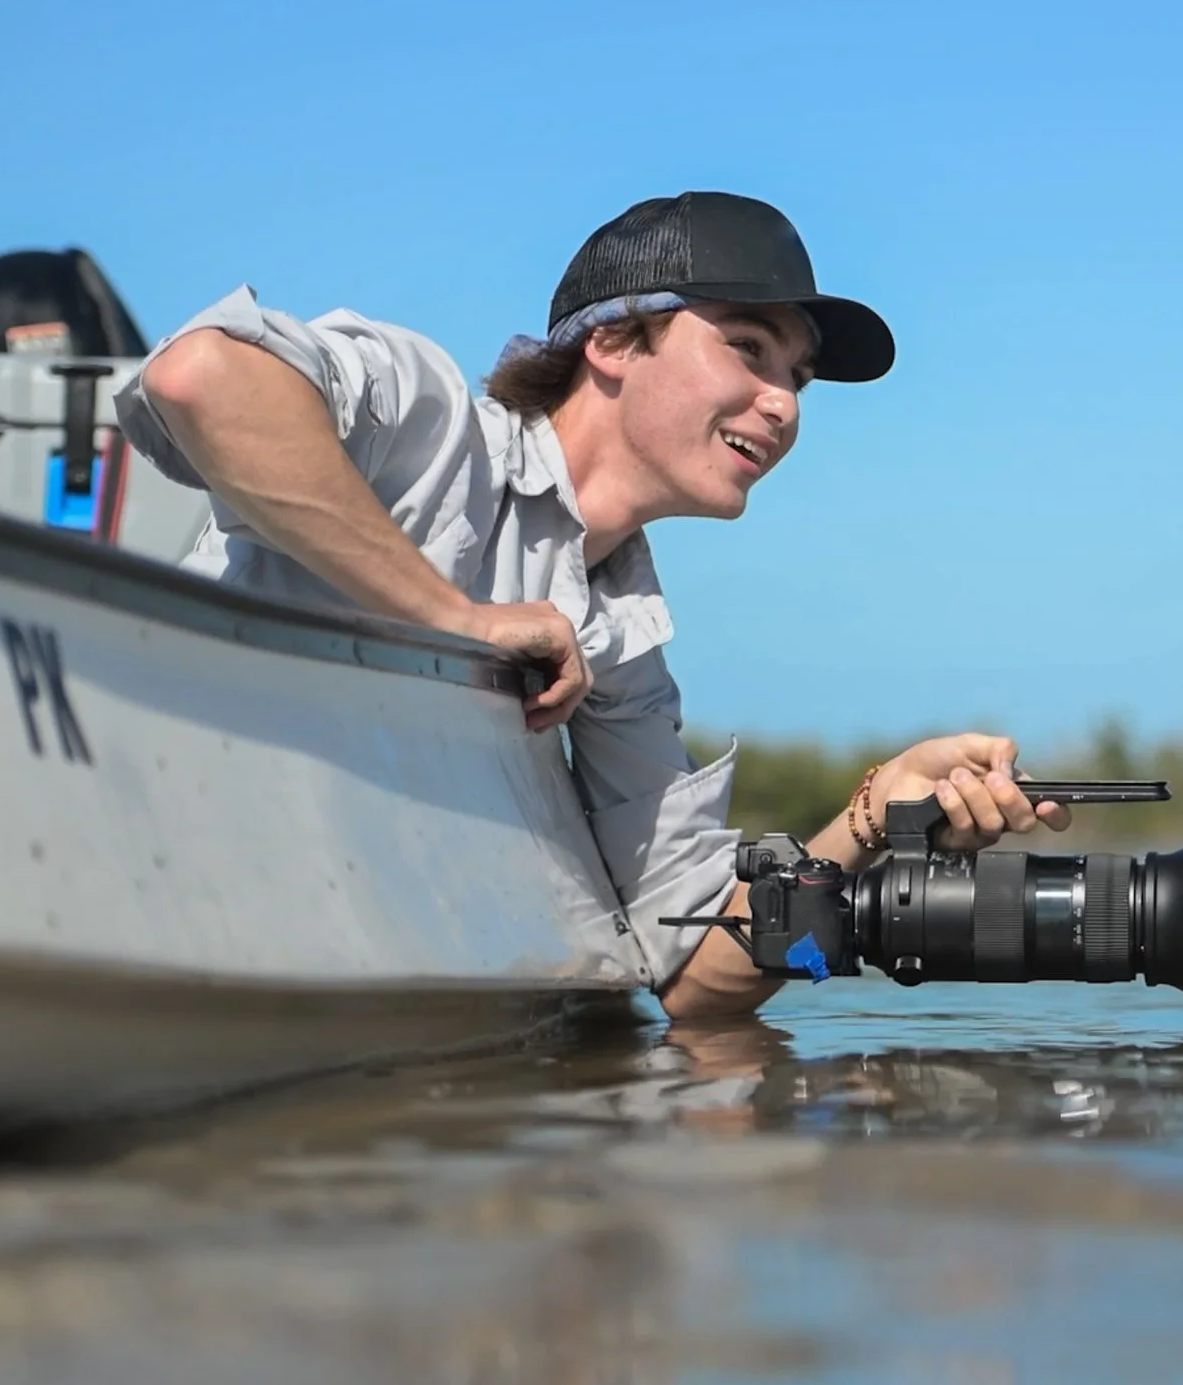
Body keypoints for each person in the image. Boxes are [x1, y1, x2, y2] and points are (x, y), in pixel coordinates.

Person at [113, 191, 1067, 1020]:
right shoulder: (430, 421)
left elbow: (693, 974)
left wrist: (868, 819)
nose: (783, 405)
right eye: (748, 349)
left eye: (798, 378)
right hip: (154, 861)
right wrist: (454, 615)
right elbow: (199, 378)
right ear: (611, 339)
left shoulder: (630, 649)